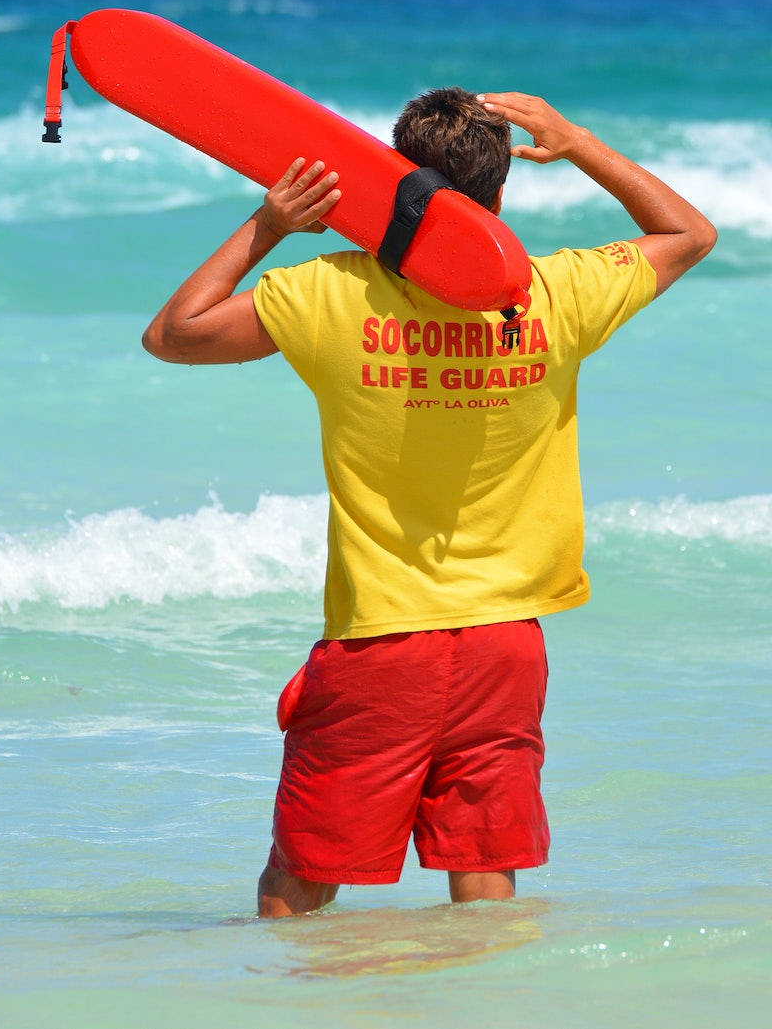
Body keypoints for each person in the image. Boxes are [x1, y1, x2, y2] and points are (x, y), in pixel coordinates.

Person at [142, 90, 717, 919]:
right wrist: (578, 141)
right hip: (504, 646)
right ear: (502, 190)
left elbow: (175, 334)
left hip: (381, 643)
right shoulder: (556, 297)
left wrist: (268, 226)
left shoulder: (329, 293)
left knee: (301, 880)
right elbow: (689, 234)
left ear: (394, 182)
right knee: (485, 880)